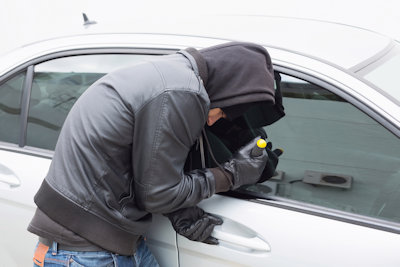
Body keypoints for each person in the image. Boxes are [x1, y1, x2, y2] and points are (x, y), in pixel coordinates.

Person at [28, 42, 284, 266]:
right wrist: (232, 174)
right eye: (223, 112)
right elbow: (159, 195)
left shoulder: (174, 75)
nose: (213, 120)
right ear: (229, 89)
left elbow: (143, 162)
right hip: (86, 249)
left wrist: (180, 209)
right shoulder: (182, 92)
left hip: (101, 238)